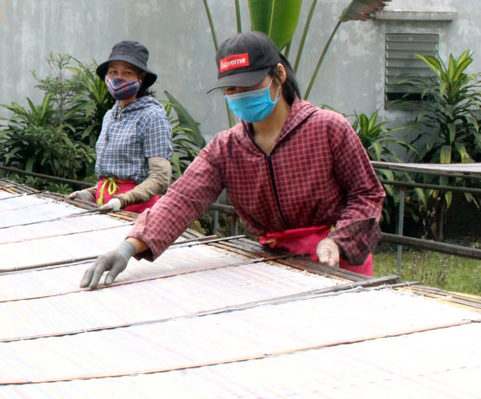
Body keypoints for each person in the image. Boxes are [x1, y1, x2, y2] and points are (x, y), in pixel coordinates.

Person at [80, 31, 385, 290]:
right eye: (231, 89)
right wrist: (128, 247)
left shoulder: (327, 128)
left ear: (278, 75)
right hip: (275, 265)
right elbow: (181, 201)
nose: (239, 95)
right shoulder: (226, 148)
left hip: (334, 262)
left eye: (248, 86)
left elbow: (367, 194)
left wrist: (338, 240)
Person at [68, 41, 173, 213]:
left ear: (141, 78)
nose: (119, 77)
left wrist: (124, 200)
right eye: (113, 72)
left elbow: (160, 177)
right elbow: (113, 177)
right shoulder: (110, 115)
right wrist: (89, 193)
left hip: (135, 212)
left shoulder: (152, 115)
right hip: (106, 208)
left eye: (128, 72)